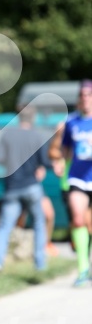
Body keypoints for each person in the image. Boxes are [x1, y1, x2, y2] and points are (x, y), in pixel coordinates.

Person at [0, 105, 52, 273]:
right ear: (33, 118)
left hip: (12, 187)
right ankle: (40, 263)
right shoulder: (37, 136)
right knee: (39, 222)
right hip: (32, 186)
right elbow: (44, 162)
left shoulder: (8, 134)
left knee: (4, 226)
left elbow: (0, 159)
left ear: (19, 117)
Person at [61, 79, 92, 286]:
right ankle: (82, 269)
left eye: (89, 94)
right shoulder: (71, 122)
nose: (85, 98)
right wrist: (59, 162)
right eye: (82, 95)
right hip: (77, 178)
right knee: (78, 220)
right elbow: (64, 150)